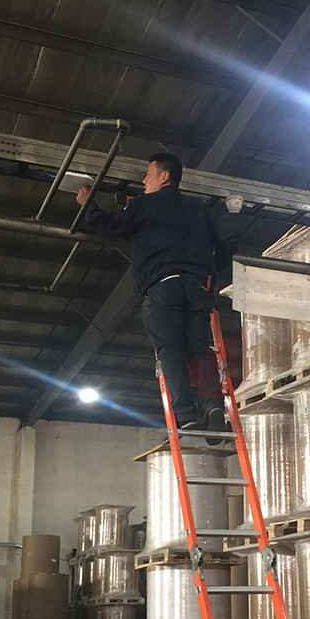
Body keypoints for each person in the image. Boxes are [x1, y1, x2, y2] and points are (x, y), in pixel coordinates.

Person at [77, 152, 237, 432]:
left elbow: (109, 226)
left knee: (171, 349)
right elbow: (229, 239)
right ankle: (212, 405)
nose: (143, 181)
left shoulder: (144, 205)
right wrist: (211, 269)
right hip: (198, 288)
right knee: (200, 348)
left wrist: (87, 205)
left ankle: (186, 413)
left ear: (164, 177)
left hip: (163, 285)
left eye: (148, 175)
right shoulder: (200, 209)